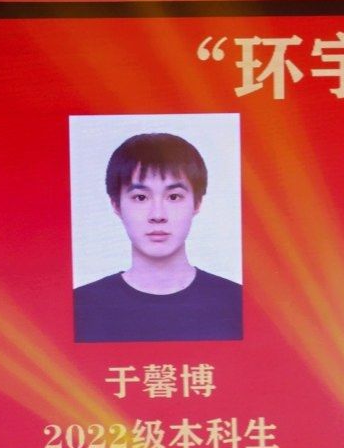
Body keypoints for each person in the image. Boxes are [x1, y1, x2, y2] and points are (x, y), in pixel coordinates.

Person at [75, 132, 242, 343]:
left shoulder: (237, 302)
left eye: (174, 197)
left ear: (197, 203)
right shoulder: (80, 306)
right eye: (140, 197)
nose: (157, 215)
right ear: (116, 205)